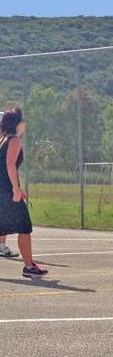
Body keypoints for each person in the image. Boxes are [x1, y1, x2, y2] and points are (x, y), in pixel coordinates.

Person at [0, 108, 47, 278]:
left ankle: (29, 265)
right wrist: (15, 189)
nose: (25, 123)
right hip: (7, 191)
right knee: (24, 227)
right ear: (17, 123)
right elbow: (10, 165)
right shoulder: (14, 141)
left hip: (3, 190)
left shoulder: (3, 140)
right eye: (23, 120)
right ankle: (29, 267)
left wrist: (17, 188)